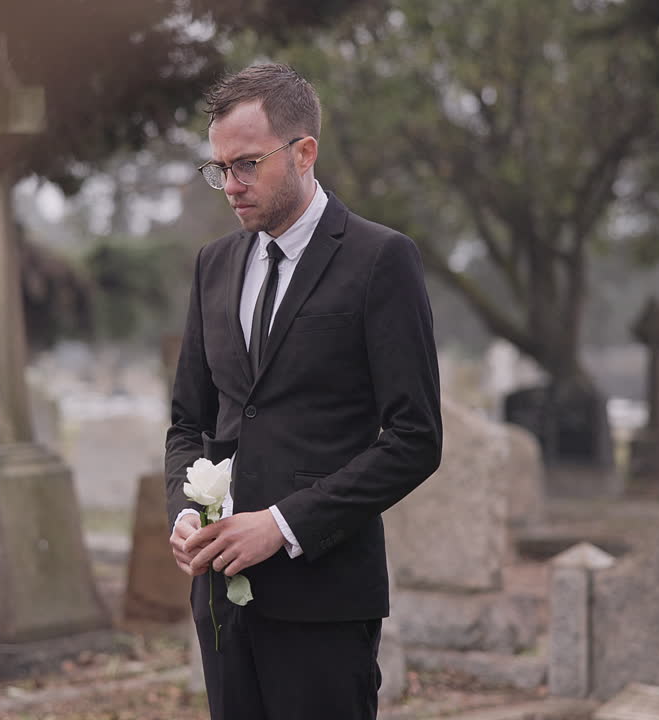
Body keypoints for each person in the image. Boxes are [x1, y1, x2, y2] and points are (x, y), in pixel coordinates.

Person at [163, 63, 443, 720]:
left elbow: (415, 440)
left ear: (304, 152)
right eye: (218, 168)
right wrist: (184, 511)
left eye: (246, 165)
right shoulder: (213, 265)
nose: (229, 186)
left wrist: (283, 525)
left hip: (326, 603)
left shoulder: (381, 259)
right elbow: (188, 423)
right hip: (220, 604)